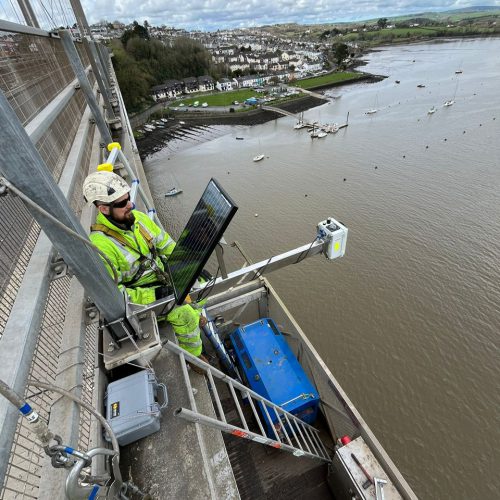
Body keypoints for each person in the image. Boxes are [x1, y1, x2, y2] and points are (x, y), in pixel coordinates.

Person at [83, 168, 207, 363]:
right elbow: (115, 296)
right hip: (143, 301)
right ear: (104, 209)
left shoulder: (140, 219)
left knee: (201, 282)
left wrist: (191, 262)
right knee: (184, 314)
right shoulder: (101, 248)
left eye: (129, 198)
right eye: (123, 203)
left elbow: (167, 246)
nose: (130, 204)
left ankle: (196, 313)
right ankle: (195, 357)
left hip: (162, 279)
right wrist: (156, 295)